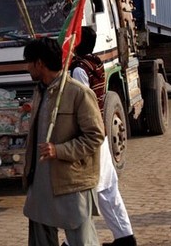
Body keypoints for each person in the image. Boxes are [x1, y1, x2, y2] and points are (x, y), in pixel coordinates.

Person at [22, 37, 104, 246]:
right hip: (40, 184)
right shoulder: (39, 92)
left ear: (40, 63)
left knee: (82, 241)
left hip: (70, 183)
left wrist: (59, 150)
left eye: (29, 62)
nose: (26, 67)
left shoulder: (79, 93)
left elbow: (95, 136)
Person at [69, 27, 136, 246]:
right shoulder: (95, 63)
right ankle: (125, 237)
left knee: (84, 192)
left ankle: (75, 241)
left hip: (89, 136)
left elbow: (82, 104)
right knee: (107, 188)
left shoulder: (79, 70)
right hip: (100, 133)